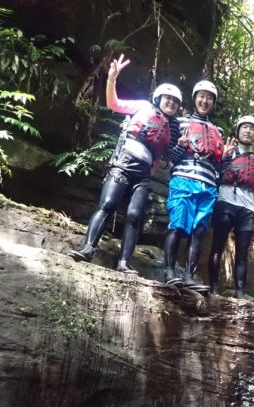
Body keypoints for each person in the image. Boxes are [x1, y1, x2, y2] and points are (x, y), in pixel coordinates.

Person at [68, 54, 181, 273]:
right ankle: (88, 248)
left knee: (134, 215)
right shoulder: (143, 106)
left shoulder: (170, 128)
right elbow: (113, 103)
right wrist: (112, 78)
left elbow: (165, 156)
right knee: (107, 205)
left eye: (175, 102)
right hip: (123, 162)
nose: (172, 103)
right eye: (168, 99)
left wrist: (180, 146)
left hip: (143, 174)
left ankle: (124, 263)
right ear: (159, 98)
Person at [163, 80, 231, 289]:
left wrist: (226, 158)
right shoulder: (179, 123)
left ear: (213, 102)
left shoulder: (218, 131)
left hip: (208, 186)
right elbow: (169, 156)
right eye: (201, 96)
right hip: (183, 180)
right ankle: (169, 272)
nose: (205, 100)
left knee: (199, 231)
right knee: (177, 226)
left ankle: (188, 276)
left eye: (209, 97)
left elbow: (219, 169)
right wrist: (181, 147)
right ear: (194, 99)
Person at [207, 115, 254, 298]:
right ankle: (213, 288)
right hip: (225, 202)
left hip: (247, 208)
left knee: (242, 253)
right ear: (238, 130)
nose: (248, 131)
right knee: (217, 246)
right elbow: (215, 172)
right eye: (245, 127)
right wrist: (223, 156)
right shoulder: (227, 151)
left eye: (252, 128)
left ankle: (240, 293)